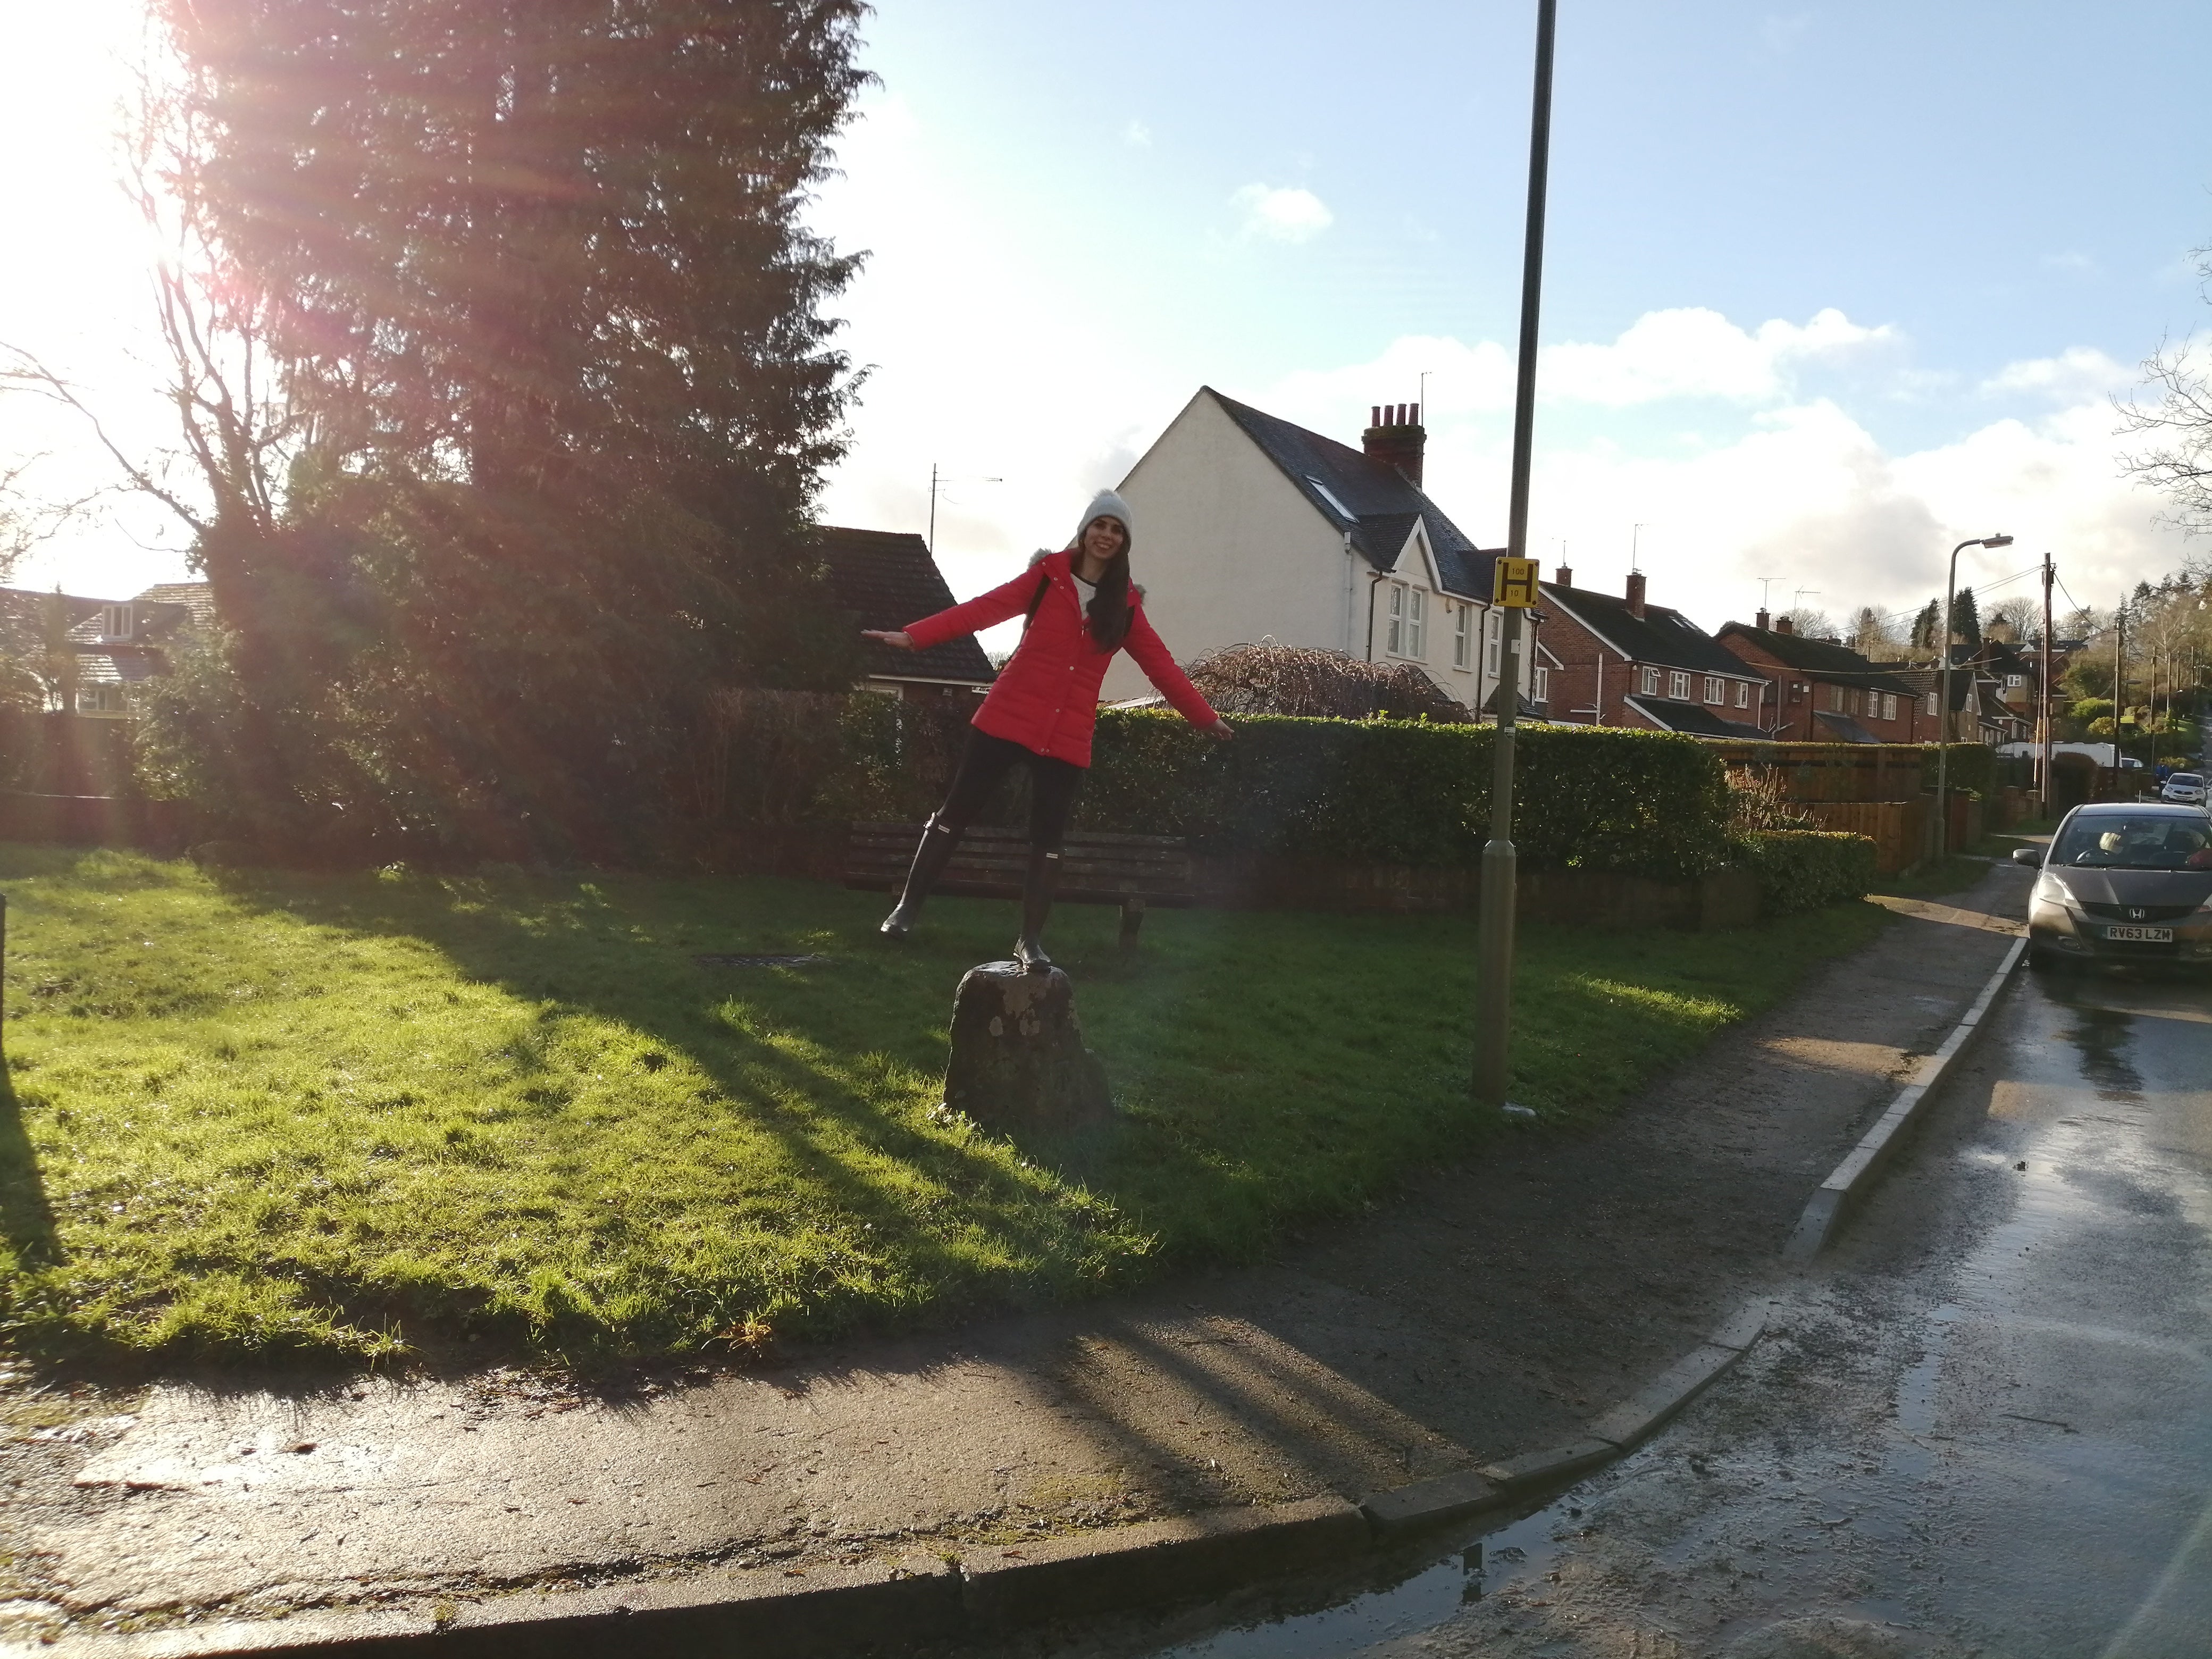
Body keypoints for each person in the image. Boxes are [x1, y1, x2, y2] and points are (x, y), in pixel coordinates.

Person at [862, 490, 1232, 971]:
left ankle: (1030, 942)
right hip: (1005, 716)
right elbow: (983, 609)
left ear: (1125, 543)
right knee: (955, 813)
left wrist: (1204, 717)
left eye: (1117, 530)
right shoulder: (1047, 577)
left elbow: (1162, 667)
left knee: (1048, 838)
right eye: (1101, 525)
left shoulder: (1125, 608)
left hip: (1066, 737)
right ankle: (906, 911)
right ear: (1085, 530)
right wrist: (914, 636)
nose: (1107, 535)